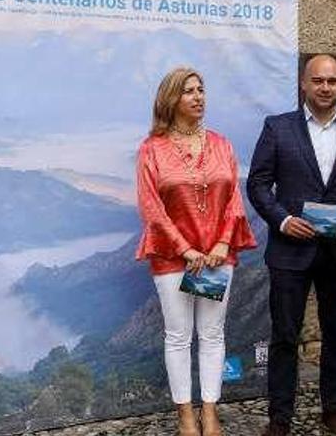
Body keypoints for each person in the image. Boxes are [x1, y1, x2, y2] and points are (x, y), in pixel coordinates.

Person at [247, 54, 336, 436]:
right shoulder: (277, 128)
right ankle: (280, 418)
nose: (325, 88)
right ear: (303, 84)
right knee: (285, 335)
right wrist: (284, 220)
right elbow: (257, 184)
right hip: (290, 250)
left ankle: (333, 410)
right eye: (318, 81)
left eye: (332, 81)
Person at [135, 67, 257, 436]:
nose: (198, 96)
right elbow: (151, 207)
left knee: (213, 332)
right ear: (171, 99)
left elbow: (234, 198)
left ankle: (210, 412)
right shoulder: (151, 150)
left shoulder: (222, 144)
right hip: (173, 257)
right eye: (188, 91)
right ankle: (185, 416)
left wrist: (222, 242)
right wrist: (185, 249)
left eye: (201, 89)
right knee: (177, 335)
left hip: (219, 256)